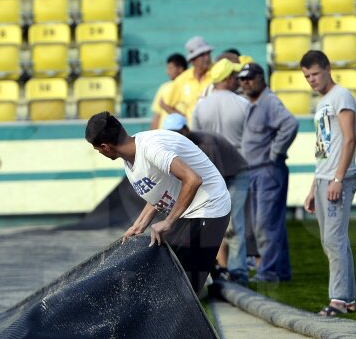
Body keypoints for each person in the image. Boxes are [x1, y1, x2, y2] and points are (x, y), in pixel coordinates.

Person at [85, 111, 231, 295]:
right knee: (163, 275)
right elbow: (161, 193)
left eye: (97, 150)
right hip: (187, 212)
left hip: (208, 208)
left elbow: (193, 180)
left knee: (181, 288)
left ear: (105, 147)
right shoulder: (131, 158)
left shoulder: (152, 149)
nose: (100, 153)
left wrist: (168, 221)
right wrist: (138, 226)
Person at [300, 50, 356, 317]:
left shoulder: (341, 96)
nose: (311, 80)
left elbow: (349, 139)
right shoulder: (323, 101)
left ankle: (338, 300)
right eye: (306, 76)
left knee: (333, 240)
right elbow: (323, 149)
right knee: (334, 240)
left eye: (314, 74)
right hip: (324, 178)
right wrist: (314, 187)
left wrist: (338, 178)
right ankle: (348, 298)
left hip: (339, 179)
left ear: (327, 69)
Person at [191, 58, 252, 280]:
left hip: (210, 170)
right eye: (235, 76)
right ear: (227, 79)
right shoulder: (243, 104)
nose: (238, 80)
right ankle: (238, 272)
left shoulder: (200, 106)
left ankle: (215, 268)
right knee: (237, 223)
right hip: (238, 167)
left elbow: (194, 143)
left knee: (212, 222)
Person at [238, 61, 299, 283]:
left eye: (250, 78)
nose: (246, 82)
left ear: (262, 78)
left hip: (267, 170)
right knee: (269, 223)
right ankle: (280, 271)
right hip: (258, 171)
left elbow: (290, 124)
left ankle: (270, 272)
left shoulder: (268, 101)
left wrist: (275, 153)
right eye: (242, 79)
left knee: (265, 224)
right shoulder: (254, 102)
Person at [164, 36, 213, 120]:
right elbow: (165, 104)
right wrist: (185, 120)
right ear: (192, 60)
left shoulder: (218, 72)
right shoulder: (182, 79)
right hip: (193, 131)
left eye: (208, 53)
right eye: (202, 55)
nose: (207, 58)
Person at [149, 53, 187, 129]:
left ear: (180, 68)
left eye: (170, 68)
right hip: (163, 135)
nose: (167, 72)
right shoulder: (164, 87)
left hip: (183, 135)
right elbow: (157, 116)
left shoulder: (190, 87)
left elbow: (189, 119)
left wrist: (165, 106)